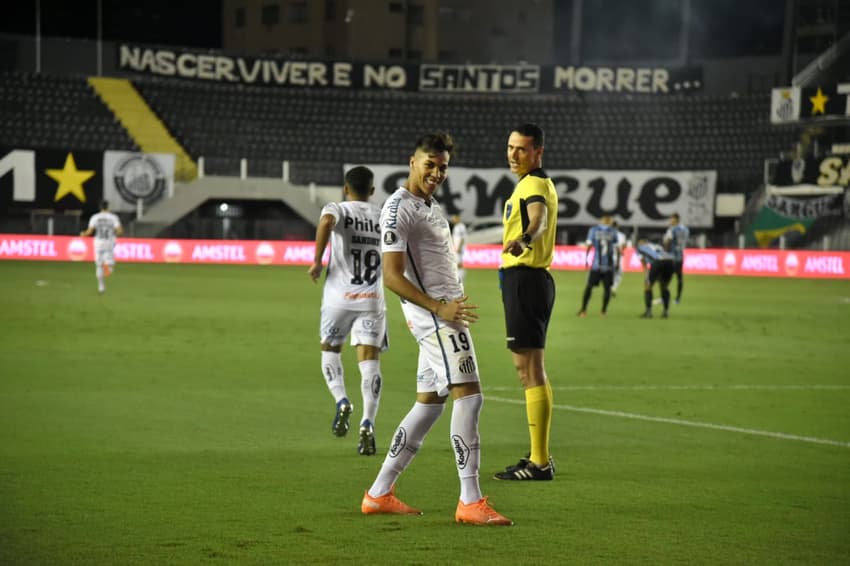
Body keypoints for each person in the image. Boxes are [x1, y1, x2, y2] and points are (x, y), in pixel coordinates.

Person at [361, 132, 512, 525]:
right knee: (470, 397)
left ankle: (378, 493)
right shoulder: (398, 209)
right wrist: (438, 307)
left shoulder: (428, 205)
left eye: (443, 167)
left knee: (428, 406)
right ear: (412, 162)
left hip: (444, 313)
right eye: (430, 164)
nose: (437, 173)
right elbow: (391, 277)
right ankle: (470, 500)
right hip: (435, 318)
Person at [308, 166, 386, 456]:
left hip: (338, 298)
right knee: (370, 362)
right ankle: (368, 421)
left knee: (330, 349)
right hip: (371, 299)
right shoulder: (382, 215)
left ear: (345, 188)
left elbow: (327, 222)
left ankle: (342, 400)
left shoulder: (337, 208)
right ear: (372, 191)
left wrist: (317, 260)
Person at [495, 123, 558, 481]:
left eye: (521, 149)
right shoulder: (538, 183)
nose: (513, 155)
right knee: (531, 369)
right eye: (510, 147)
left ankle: (540, 463)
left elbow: (539, 218)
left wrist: (524, 238)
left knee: (528, 370)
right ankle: (539, 456)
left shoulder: (533, 185)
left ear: (538, 152)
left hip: (526, 279)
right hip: (529, 281)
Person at [578, 215, 618, 317]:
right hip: (609, 266)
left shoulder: (594, 230)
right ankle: (603, 312)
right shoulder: (613, 231)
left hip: (596, 265)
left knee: (589, 287)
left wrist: (586, 260)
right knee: (607, 289)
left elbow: (589, 244)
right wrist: (616, 264)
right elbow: (617, 248)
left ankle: (583, 310)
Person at [80, 200, 123, 294]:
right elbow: (119, 231)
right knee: (110, 265)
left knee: (98, 265)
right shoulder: (113, 217)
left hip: (98, 243)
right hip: (109, 243)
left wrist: (83, 234)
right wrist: (115, 234)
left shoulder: (95, 217)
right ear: (108, 207)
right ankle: (106, 267)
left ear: (100, 208)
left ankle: (101, 287)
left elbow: (90, 231)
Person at [635, 239, 675, 318]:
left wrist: (647, 277)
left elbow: (644, 264)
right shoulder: (656, 245)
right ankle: (665, 312)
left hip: (658, 261)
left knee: (648, 286)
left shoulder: (639, 248)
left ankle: (648, 312)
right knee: (664, 286)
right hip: (671, 261)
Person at [663, 213, 689, 304]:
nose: (670, 221)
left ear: (676, 219)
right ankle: (678, 299)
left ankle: (664, 297)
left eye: (671, 219)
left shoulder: (672, 229)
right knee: (679, 277)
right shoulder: (686, 229)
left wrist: (665, 250)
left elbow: (667, 242)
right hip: (680, 256)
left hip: (671, 256)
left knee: (666, 278)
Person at [610, 220, 628, 297]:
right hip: (618, 256)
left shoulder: (608, 234)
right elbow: (624, 246)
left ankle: (609, 288)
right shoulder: (621, 235)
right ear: (617, 226)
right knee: (619, 274)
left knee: (610, 274)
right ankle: (613, 288)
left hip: (608, 256)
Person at [451, 214, 468, 285]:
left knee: (459, 264)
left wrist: (459, 247)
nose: (452, 220)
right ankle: (459, 278)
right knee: (457, 264)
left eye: (454, 219)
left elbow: (462, 238)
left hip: (459, 248)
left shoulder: (461, 227)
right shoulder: (456, 227)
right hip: (456, 248)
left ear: (458, 218)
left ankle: (461, 279)